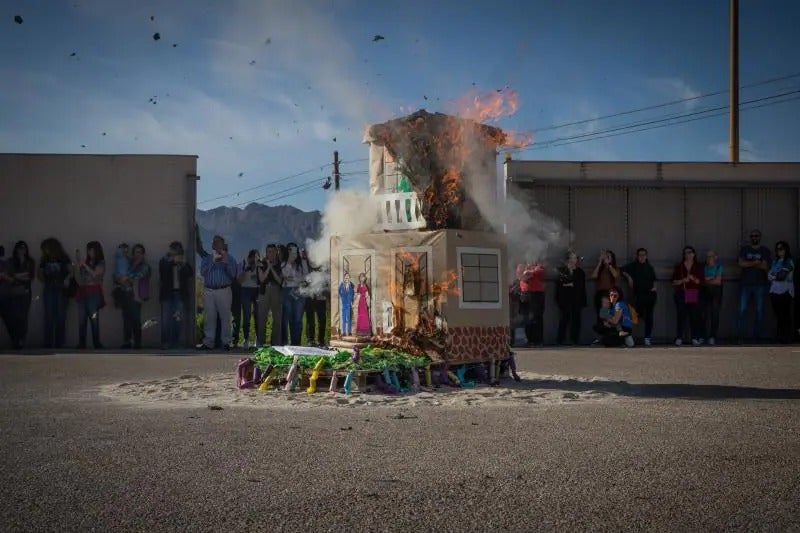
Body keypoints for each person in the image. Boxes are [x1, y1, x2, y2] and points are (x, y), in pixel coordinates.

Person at [197, 234, 238, 350]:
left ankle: (226, 342)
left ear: (223, 245)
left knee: (225, 317)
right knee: (209, 317)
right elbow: (203, 273)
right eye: (215, 243)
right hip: (209, 290)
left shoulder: (230, 259)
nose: (217, 245)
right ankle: (208, 342)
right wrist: (213, 262)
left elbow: (233, 274)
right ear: (212, 246)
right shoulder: (207, 259)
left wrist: (226, 263)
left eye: (219, 243)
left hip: (224, 290)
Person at [158, 241, 194, 349]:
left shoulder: (183, 261)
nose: (176, 253)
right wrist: (172, 262)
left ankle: (176, 342)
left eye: (178, 251)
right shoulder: (164, 260)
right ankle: (166, 342)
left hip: (180, 295)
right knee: (166, 320)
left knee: (178, 319)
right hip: (167, 294)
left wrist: (182, 264)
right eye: (174, 250)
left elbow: (190, 273)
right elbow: (163, 272)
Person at [737, 229, 771, 342]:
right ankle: (741, 336)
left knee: (759, 310)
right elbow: (740, 263)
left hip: (760, 284)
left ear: (760, 237)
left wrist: (749, 264)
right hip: (745, 284)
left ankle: (757, 336)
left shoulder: (764, 250)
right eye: (752, 236)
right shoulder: (745, 249)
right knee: (742, 310)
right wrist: (756, 263)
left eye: (756, 236)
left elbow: (765, 267)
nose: (754, 237)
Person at [37, 238, 72, 349]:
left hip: (61, 289)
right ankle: (48, 342)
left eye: (46, 248)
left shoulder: (63, 258)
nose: (45, 251)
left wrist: (66, 279)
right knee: (49, 316)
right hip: (49, 288)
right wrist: (42, 276)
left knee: (60, 316)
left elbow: (71, 271)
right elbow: (40, 272)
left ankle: (59, 343)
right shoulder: (45, 259)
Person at [117, 244, 151, 349]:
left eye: (140, 252)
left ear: (143, 254)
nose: (138, 254)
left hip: (136, 296)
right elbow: (119, 276)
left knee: (135, 320)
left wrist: (125, 278)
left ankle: (137, 343)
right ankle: (127, 342)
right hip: (126, 294)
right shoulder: (129, 264)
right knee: (126, 319)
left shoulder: (145, 266)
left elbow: (137, 276)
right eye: (136, 252)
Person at [622, 248, 657, 346]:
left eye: (644, 255)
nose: (642, 257)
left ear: (646, 256)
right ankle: (628, 337)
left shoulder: (649, 267)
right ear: (637, 256)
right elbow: (622, 270)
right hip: (638, 296)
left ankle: (647, 337)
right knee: (634, 315)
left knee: (649, 317)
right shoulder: (633, 266)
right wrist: (629, 278)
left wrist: (654, 287)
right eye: (640, 255)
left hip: (650, 295)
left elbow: (654, 279)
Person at [4, 241, 35, 349]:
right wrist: (18, 276)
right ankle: (15, 340)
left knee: (23, 317)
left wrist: (16, 276)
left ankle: (21, 340)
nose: (22, 250)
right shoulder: (11, 261)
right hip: (13, 292)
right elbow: (8, 275)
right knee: (14, 317)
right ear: (16, 249)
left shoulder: (30, 261)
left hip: (25, 291)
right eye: (20, 248)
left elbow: (30, 276)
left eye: (24, 248)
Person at [75, 241, 105, 349]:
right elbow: (78, 278)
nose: (90, 252)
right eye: (88, 249)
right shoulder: (86, 262)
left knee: (94, 318)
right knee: (81, 318)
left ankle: (96, 343)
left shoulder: (100, 262)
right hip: (82, 291)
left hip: (94, 292)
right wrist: (78, 266)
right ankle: (81, 343)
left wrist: (84, 265)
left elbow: (96, 275)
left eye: (92, 249)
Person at [671, 246, 704, 346]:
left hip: (692, 292)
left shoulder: (698, 266)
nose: (688, 255)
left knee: (693, 316)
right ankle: (679, 337)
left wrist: (693, 279)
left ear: (694, 254)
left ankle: (694, 337)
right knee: (681, 316)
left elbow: (701, 282)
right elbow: (673, 282)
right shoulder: (679, 266)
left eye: (690, 252)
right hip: (681, 292)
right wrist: (682, 280)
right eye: (685, 253)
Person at [555, 252, 586, 346]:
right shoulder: (562, 271)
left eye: (575, 259)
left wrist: (569, 284)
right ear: (567, 260)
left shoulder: (580, 272)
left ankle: (575, 339)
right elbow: (560, 283)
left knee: (576, 319)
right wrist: (569, 283)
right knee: (564, 319)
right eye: (571, 259)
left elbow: (579, 285)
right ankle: (560, 340)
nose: (573, 261)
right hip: (564, 299)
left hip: (577, 299)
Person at [280, 242, 309, 346]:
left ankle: (296, 343)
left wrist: (296, 279)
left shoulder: (302, 262)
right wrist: (289, 261)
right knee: (286, 318)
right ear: (287, 251)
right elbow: (284, 275)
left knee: (297, 319)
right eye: (290, 250)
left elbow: (306, 277)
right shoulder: (284, 263)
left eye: (294, 250)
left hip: (299, 291)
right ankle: (284, 343)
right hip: (287, 291)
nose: (293, 252)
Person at [767, 241, 794, 344]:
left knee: (785, 314)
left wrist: (774, 276)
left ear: (786, 249)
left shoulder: (789, 261)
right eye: (777, 249)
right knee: (778, 315)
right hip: (774, 290)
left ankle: (786, 337)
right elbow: (769, 275)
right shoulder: (775, 261)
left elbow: (781, 276)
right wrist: (774, 276)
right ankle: (779, 336)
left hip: (786, 290)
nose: (779, 251)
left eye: (781, 248)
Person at [591, 249, 620, 342]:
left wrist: (609, 265)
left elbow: (615, 275)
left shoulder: (613, 267)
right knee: (600, 316)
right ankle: (603, 336)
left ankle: (607, 337)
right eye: (605, 257)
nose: (605, 259)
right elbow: (594, 276)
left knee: (606, 316)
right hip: (600, 294)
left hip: (609, 294)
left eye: (608, 257)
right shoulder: (601, 269)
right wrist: (600, 262)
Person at [257, 244, 283, 346]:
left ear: (276, 252)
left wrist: (271, 267)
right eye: (268, 251)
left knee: (277, 318)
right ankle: (260, 342)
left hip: (276, 290)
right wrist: (268, 267)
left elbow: (279, 280)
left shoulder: (281, 265)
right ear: (266, 253)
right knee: (262, 317)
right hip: (264, 291)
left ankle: (275, 343)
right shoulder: (261, 264)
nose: (270, 254)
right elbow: (262, 279)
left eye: (272, 251)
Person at [515, 261, 545, 346]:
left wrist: (529, 273)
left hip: (537, 294)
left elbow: (540, 272)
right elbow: (521, 276)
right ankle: (529, 339)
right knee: (527, 317)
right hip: (526, 294)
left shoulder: (538, 265)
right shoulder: (521, 265)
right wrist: (528, 274)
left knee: (537, 317)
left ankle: (538, 340)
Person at [237, 249, 261, 348]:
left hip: (257, 290)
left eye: (256, 257)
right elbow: (239, 281)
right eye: (252, 257)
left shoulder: (260, 266)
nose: (254, 260)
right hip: (245, 290)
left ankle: (258, 340)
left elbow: (262, 280)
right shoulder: (242, 265)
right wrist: (246, 270)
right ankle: (246, 339)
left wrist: (258, 272)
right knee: (246, 316)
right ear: (248, 258)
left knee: (257, 316)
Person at [701, 250, 724, 345]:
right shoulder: (704, 267)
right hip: (705, 292)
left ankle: (712, 336)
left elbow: (718, 281)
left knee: (714, 314)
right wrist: (711, 278)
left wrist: (707, 280)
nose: (708, 258)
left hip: (716, 292)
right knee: (703, 314)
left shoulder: (719, 267)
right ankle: (703, 336)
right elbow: (701, 280)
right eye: (707, 256)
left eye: (711, 256)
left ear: (715, 257)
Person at [355, 272, 373, 337]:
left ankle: (366, 332)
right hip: (360, 302)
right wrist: (356, 303)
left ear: (365, 278)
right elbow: (357, 295)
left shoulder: (366, 286)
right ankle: (360, 332)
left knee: (365, 316)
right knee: (360, 316)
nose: (362, 278)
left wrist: (368, 303)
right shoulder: (359, 285)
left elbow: (367, 295)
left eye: (363, 277)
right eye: (361, 277)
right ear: (359, 278)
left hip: (364, 302)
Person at [338, 272, 354, 337]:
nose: (346, 278)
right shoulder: (342, 284)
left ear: (349, 278)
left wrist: (351, 301)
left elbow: (353, 293)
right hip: (344, 303)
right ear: (344, 278)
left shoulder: (351, 285)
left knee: (349, 318)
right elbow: (339, 291)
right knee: (343, 318)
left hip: (348, 304)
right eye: (345, 277)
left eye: (348, 277)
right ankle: (344, 332)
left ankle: (349, 332)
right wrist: (342, 297)